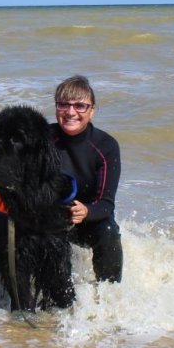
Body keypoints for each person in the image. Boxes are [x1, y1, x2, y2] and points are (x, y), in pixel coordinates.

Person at [51, 75, 123, 282]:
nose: (71, 112)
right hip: (49, 218)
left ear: (92, 111)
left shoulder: (106, 146)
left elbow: (106, 205)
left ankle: (109, 296)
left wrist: (86, 211)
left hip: (89, 219)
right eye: (63, 104)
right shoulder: (42, 138)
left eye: (80, 106)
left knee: (108, 231)